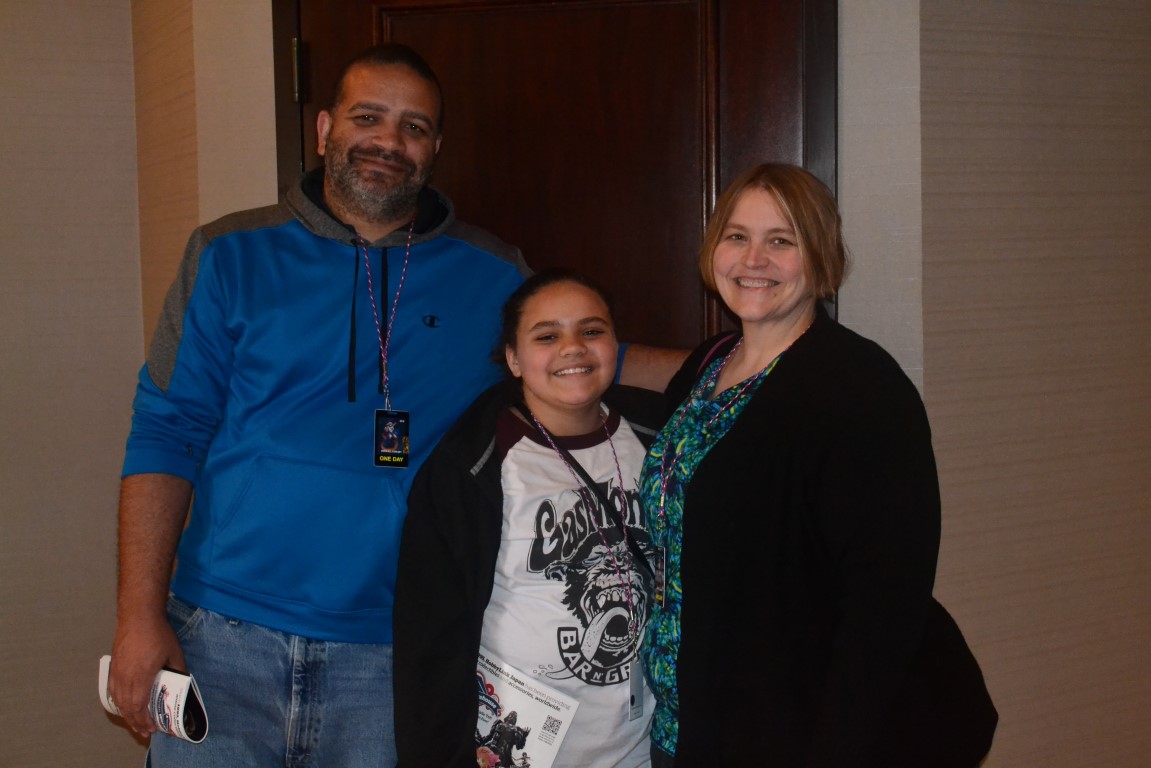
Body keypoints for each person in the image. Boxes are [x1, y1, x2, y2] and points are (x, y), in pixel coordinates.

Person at [107, 44, 677, 766]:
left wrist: (743, 363)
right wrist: (138, 616)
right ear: (325, 129)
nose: (388, 141)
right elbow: (166, 432)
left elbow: (581, 356)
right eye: (367, 117)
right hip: (222, 640)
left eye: (414, 127)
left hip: (391, 657)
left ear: (434, 149)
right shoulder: (228, 253)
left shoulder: (492, 273)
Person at [640, 164, 998, 767]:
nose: (753, 259)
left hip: (787, 735)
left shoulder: (862, 391)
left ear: (820, 256)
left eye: (781, 240)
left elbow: (885, 606)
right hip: (684, 723)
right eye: (736, 236)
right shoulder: (709, 364)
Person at [393, 270, 663, 767]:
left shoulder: (659, 438)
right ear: (514, 359)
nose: (572, 348)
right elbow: (429, 636)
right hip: (515, 750)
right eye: (546, 336)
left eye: (591, 330)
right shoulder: (473, 463)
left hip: (640, 746)